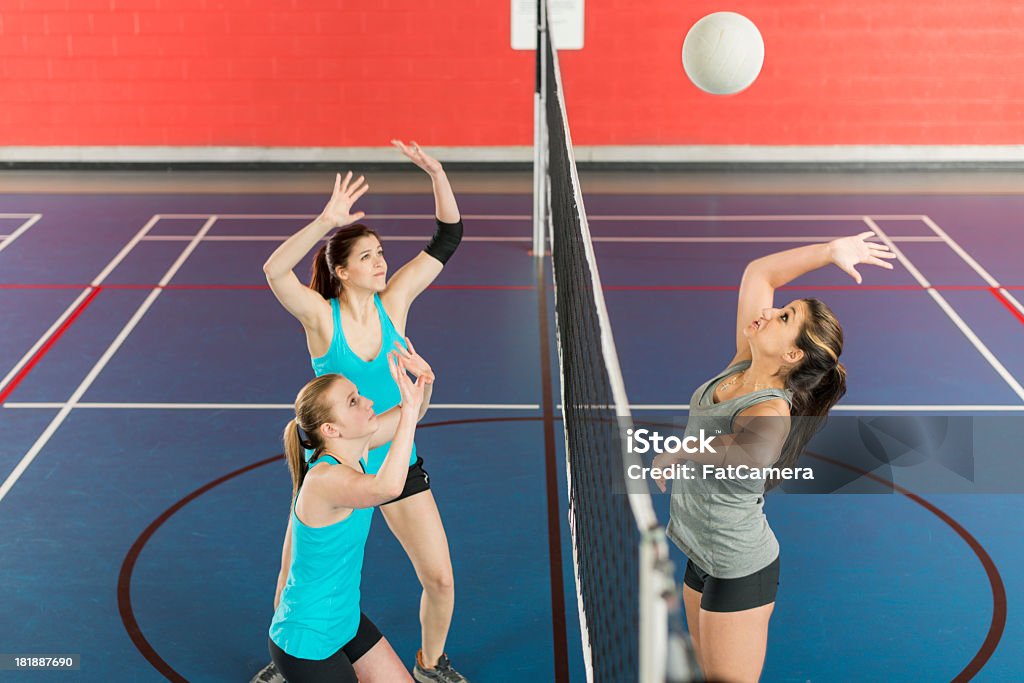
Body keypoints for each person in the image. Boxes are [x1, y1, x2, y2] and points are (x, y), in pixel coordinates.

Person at [261, 141, 468, 683]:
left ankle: (429, 665)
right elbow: (275, 271)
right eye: (369, 256)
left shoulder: (395, 301)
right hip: (338, 463)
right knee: (296, 570)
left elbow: (447, 237)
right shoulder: (321, 320)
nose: (382, 262)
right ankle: (290, 653)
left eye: (382, 252)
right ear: (344, 271)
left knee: (440, 579)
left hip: (395, 460)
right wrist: (326, 220)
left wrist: (438, 173)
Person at [652, 231, 895, 682]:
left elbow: (751, 454)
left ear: (792, 353)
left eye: (783, 316)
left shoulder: (771, 406)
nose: (766, 313)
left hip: (738, 565)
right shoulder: (745, 361)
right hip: (699, 549)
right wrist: (828, 252)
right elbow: (760, 273)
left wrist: (685, 450)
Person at [269, 347, 432, 683]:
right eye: (353, 402)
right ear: (330, 429)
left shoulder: (354, 450)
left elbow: (408, 416)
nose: (368, 401)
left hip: (344, 619)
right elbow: (387, 487)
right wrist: (409, 410)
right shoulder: (326, 480)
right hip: (308, 642)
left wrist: (425, 383)